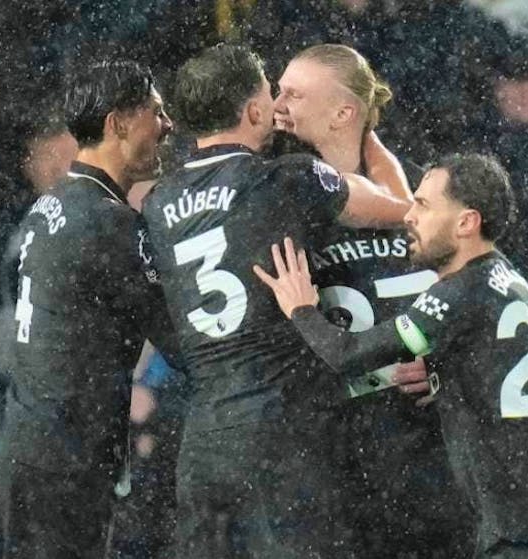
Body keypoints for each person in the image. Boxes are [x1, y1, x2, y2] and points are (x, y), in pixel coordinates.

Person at [141, 44, 411, 558]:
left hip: (204, 441)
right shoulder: (288, 180)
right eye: (272, 92)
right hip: (281, 435)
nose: (279, 104)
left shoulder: (157, 203)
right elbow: (401, 208)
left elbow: (158, 316)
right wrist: (368, 132)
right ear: (253, 111)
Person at [256, 154, 528, 558]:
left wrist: (301, 309)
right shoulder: (515, 286)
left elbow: (348, 356)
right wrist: (443, 369)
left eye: (424, 205)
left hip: (522, 528)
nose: (409, 216)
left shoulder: (459, 293)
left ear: (466, 222)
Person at [0, 59, 179, 558]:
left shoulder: (54, 204)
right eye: (156, 112)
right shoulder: (109, 221)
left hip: (16, 455)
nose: (167, 125)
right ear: (118, 124)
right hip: (58, 472)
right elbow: (182, 339)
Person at [272, 43, 473, 555]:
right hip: (328, 450)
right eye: (277, 91)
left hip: (427, 448)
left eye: (294, 94)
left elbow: (478, 294)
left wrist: (447, 361)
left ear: (343, 113)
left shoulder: (425, 191)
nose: (277, 105)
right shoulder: (278, 190)